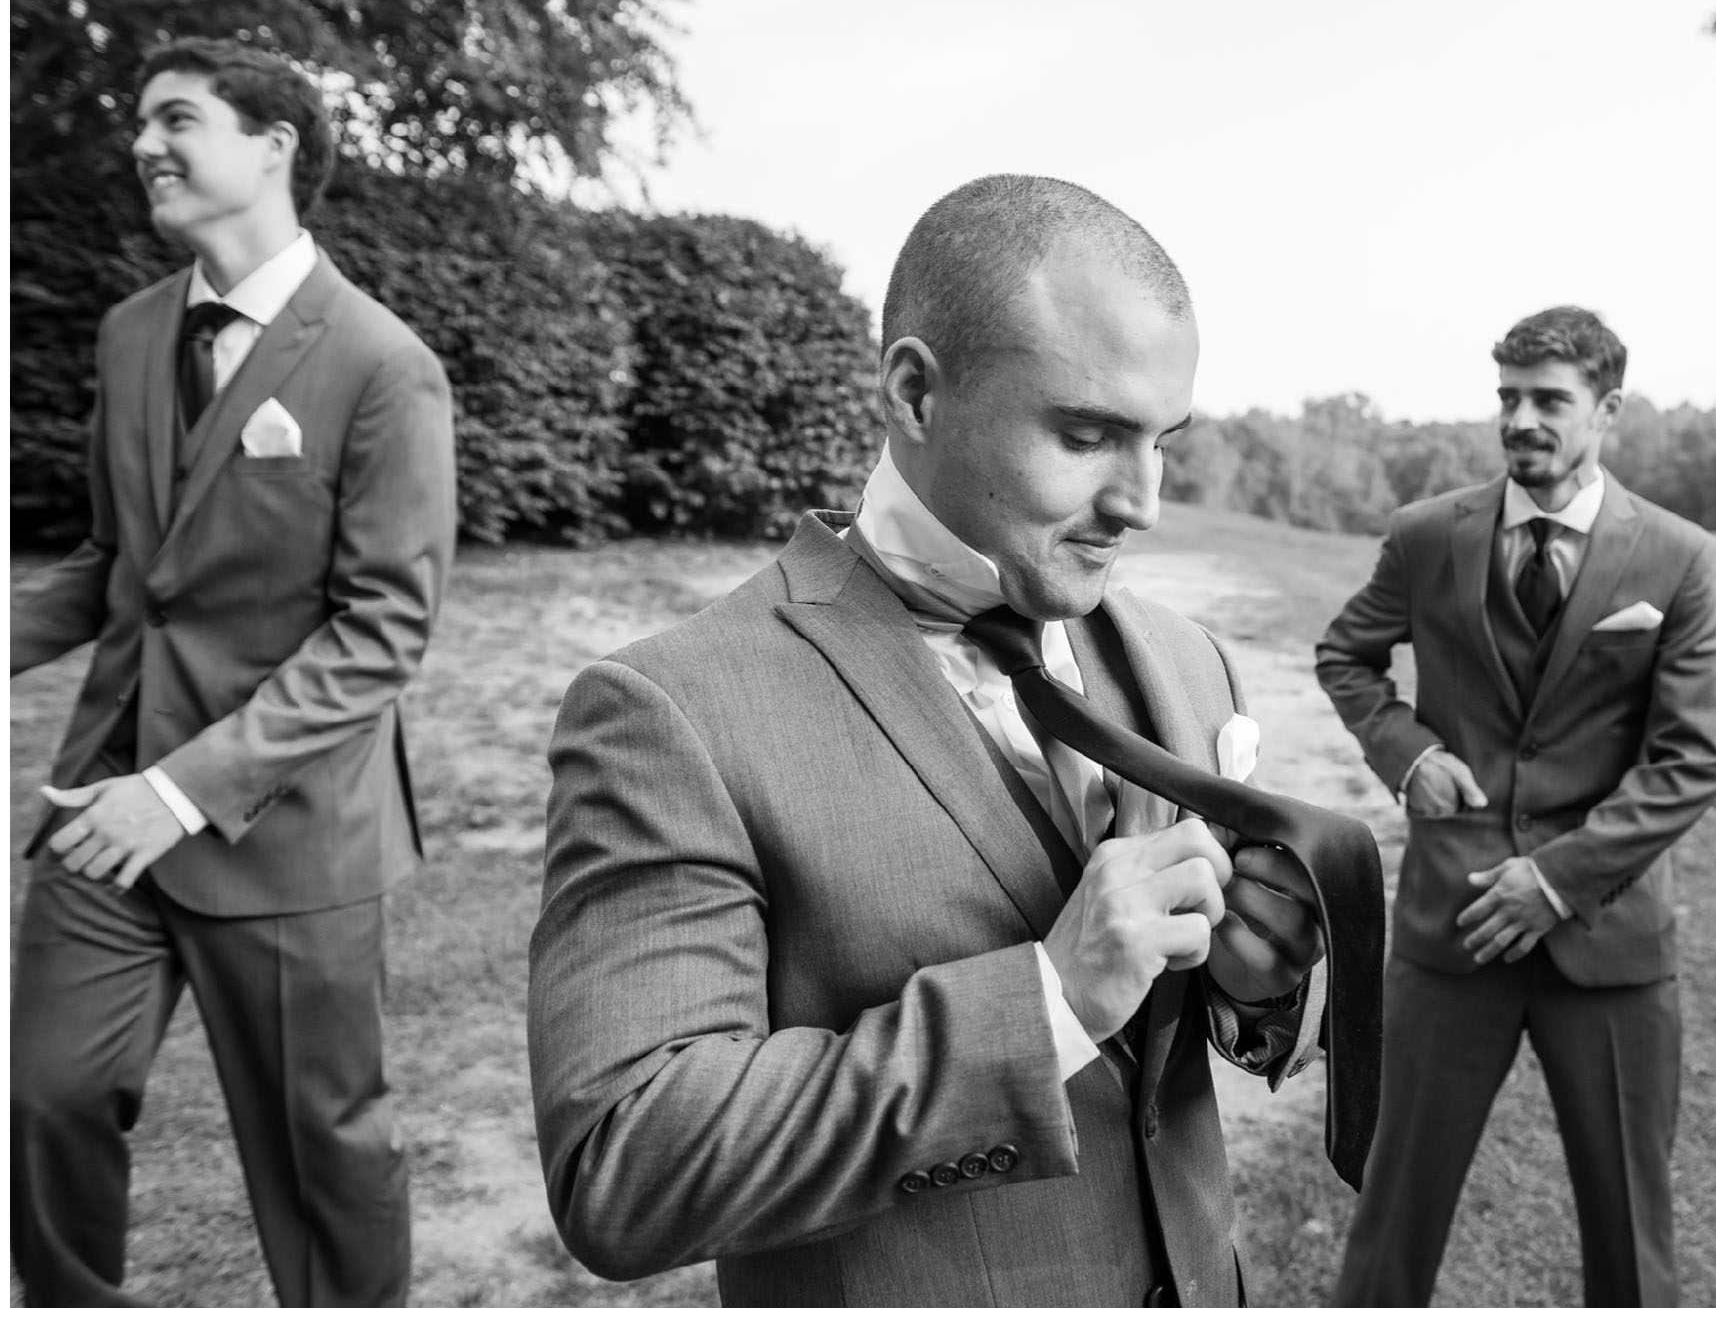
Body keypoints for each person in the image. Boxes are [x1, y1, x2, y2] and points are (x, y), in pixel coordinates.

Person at [531, 174, 1333, 1306]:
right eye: (1088, 434)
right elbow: (625, 1163)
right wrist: (1047, 1000)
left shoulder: (1189, 660)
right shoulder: (671, 712)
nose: (1142, 501)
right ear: (914, 391)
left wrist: (1261, 990)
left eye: (1162, 440)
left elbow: (1192, 1048)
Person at [10, 36, 456, 1306]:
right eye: (140, 119)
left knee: (324, 1154)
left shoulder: (382, 364)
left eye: (177, 117)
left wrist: (188, 789)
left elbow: (382, 631)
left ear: (273, 147)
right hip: (103, 803)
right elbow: (114, 564)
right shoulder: (127, 332)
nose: (144, 141)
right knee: (44, 1096)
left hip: (285, 830)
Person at [1315, 305, 1716, 1305]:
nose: (1520, 419)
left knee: (1630, 1232)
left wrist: (1553, 880)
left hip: (1608, 947)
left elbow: (1692, 758)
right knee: (1390, 1217)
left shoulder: (1675, 558)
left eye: (1548, 399)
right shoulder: (1424, 537)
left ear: (1606, 409)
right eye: (1506, 396)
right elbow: (1345, 655)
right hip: (1446, 931)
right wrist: (1404, 752)